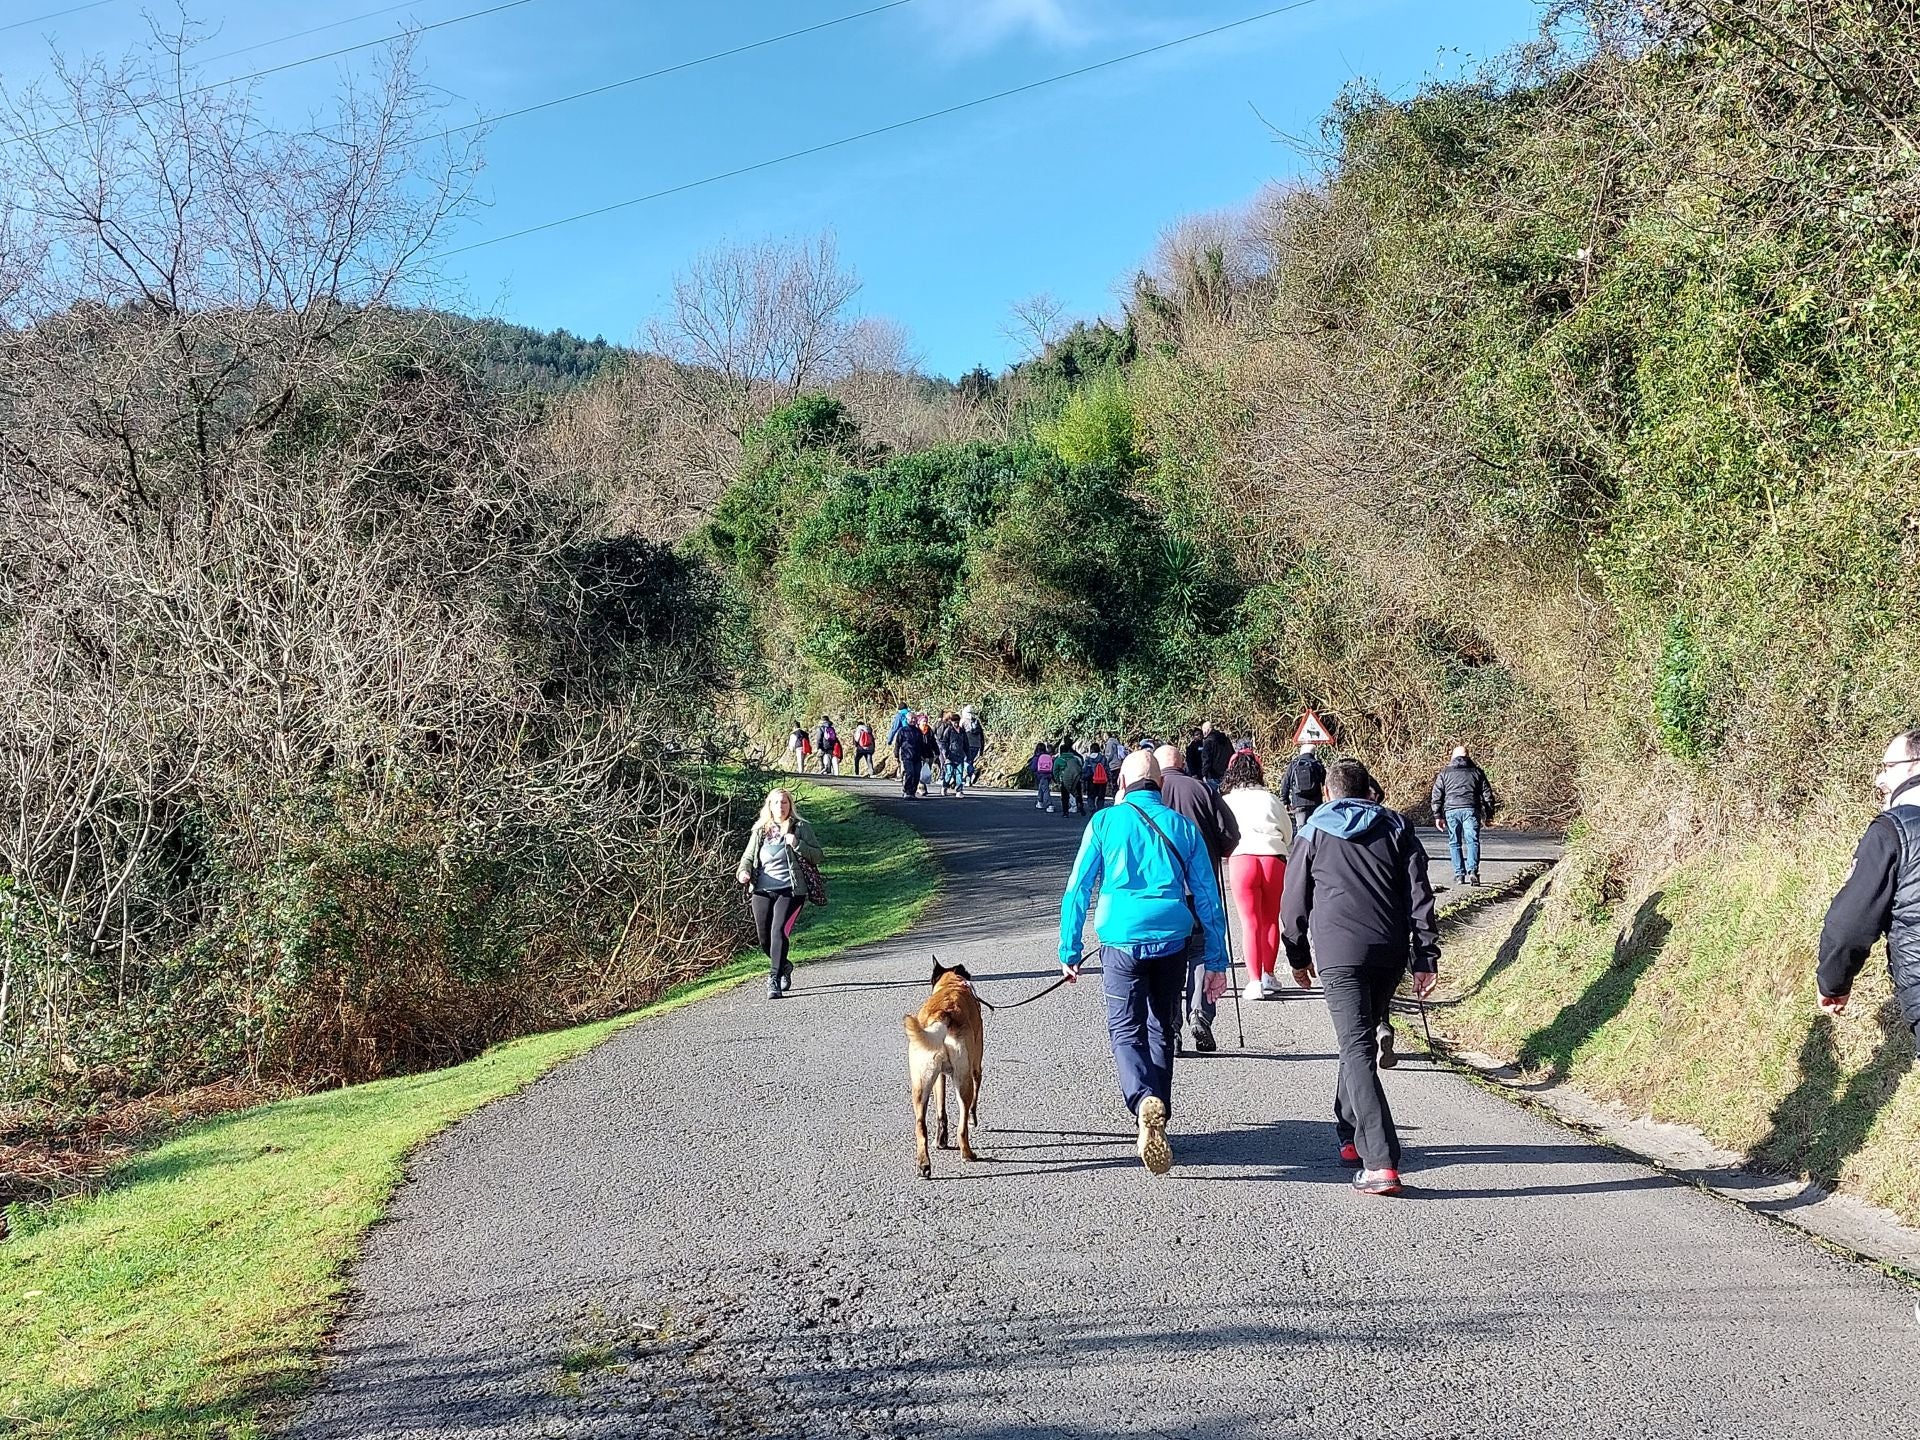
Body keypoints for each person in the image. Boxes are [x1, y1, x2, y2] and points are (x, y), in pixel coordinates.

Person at [1057, 749, 1230, 1174]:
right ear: (1161, 785)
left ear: (1121, 785)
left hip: (1121, 938)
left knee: (1124, 1026)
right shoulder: (1183, 827)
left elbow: (1077, 888)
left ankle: (1141, 1100)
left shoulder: (1103, 823)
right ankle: (1160, 1112)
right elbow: (1208, 897)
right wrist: (1216, 959)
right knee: (1161, 1024)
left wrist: (1070, 949)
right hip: (1173, 937)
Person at [1280, 759, 1440, 1196]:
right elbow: (1419, 894)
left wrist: (1296, 955)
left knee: (1356, 1048)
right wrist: (1425, 955)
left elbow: (1293, 902)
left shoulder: (1313, 831)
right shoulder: (1397, 827)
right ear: (1368, 791)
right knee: (1359, 1040)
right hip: (1389, 951)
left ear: (1328, 793)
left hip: (1338, 953)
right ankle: (1349, 1135)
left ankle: (1381, 1161)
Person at [1817, 729, 1920, 1042]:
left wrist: (1833, 984)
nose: (1879, 778)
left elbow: (1848, 924)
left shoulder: (1894, 829)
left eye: (1888, 766)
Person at [1154, 744, 1242, 1053]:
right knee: (1201, 954)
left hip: (1165, 893)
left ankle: (1172, 1027)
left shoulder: (1152, 794)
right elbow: (1231, 834)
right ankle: (1200, 1014)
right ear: (1182, 763)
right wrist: (1215, 852)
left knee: (1170, 956)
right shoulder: (1203, 789)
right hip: (1201, 888)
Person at [736, 788, 824, 1001]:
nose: (780, 807)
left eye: (784, 802)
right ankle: (784, 965)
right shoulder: (760, 831)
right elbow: (747, 857)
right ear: (769, 806)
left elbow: (818, 856)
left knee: (778, 931)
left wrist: (797, 844)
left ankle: (774, 979)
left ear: (790, 805)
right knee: (764, 936)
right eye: (776, 803)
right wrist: (743, 872)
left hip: (791, 891)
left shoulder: (801, 827)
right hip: (762, 890)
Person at [1220, 750, 1290, 1000]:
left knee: (1250, 922)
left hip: (1242, 858)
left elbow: (1221, 833)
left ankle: (1254, 981)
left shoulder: (1227, 800)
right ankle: (1270, 974)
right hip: (1273, 858)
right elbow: (1287, 832)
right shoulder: (1271, 799)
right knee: (1271, 919)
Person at [1430, 744, 1498, 886]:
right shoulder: (1477, 772)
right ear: (1468, 757)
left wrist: (1438, 816)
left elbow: (1437, 796)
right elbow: (1487, 795)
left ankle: (1459, 874)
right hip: (1471, 810)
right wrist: (1489, 814)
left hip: (1451, 811)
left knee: (1455, 843)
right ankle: (1473, 871)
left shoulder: (1444, 773)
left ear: (1453, 757)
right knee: (1472, 841)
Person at [1280, 742, 1326, 835]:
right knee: (1315, 830)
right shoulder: (1317, 765)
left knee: (1301, 830)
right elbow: (1326, 783)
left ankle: (1301, 848)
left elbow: (1285, 783)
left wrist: (1285, 801)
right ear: (1313, 753)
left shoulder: (1293, 764)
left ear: (1301, 752)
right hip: (1315, 803)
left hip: (1299, 803)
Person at [936, 711, 971, 795]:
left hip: (960, 755)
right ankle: (944, 786)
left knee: (959, 773)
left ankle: (959, 790)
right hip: (950, 755)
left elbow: (966, 744)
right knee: (949, 772)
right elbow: (944, 743)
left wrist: (967, 754)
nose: (956, 724)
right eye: (954, 722)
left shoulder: (962, 731)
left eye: (957, 722)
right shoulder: (948, 731)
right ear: (951, 722)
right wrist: (945, 753)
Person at [895, 715, 929, 800]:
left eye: (914, 719)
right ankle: (907, 791)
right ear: (907, 720)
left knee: (917, 774)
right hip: (906, 756)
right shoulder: (902, 731)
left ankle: (913, 792)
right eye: (911, 719)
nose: (913, 720)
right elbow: (897, 744)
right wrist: (896, 754)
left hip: (917, 757)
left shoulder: (918, 732)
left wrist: (925, 756)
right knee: (910, 773)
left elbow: (922, 745)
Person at [1199, 720, 1233, 791]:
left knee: (1214, 798)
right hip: (1226, 773)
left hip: (1213, 775)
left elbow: (1206, 759)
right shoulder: (1226, 739)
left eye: (1203, 730)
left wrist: (1203, 774)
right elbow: (1232, 753)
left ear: (1207, 729)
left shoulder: (1208, 741)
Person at [1054, 740, 1084, 817]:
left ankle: (1065, 812)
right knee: (1078, 794)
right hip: (1075, 779)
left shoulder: (1058, 760)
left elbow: (1055, 771)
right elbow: (1080, 768)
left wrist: (1057, 780)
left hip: (1064, 780)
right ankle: (1080, 805)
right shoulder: (1075, 759)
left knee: (1065, 797)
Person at [961, 706, 986, 786]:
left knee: (965, 761)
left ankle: (973, 771)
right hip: (977, 745)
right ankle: (968, 780)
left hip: (967, 744)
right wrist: (982, 748)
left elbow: (959, 734)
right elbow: (982, 735)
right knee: (970, 761)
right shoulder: (976, 721)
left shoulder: (963, 721)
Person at [1031, 740, 1056, 812]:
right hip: (1049, 774)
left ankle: (1050, 805)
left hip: (1041, 774)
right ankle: (1040, 801)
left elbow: (1033, 768)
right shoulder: (1048, 756)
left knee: (1045, 790)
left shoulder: (1037, 756)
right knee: (1042, 787)